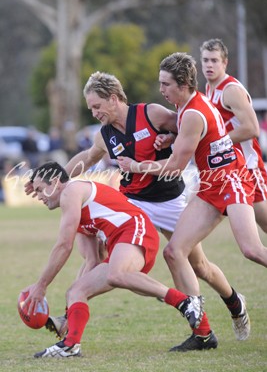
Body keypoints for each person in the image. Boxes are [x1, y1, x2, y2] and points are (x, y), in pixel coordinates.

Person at [25, 72, 250, 350]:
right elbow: (86, 158)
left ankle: (233, 301)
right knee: (98, 255)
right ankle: (72, 316)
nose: (94, 113)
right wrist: (50, 178)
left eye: (97, 106)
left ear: (114, 98)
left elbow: (188, 128)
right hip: (133, 202)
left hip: (170, 200)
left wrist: (167, 138)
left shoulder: (151, 114)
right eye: (90, 108)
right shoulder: (105, 135)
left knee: (197, 264)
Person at [117, 52, 267, 351]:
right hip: (211, 183)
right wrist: (171, 138)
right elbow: (194, 137)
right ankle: (202, 332)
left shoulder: (193, 111)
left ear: (183, 83)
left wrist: (135, 166)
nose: (161, 90)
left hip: (232, 179)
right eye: (160, 83)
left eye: (166, 84)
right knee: (174, 252)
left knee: (251, 250)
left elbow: (174, 166)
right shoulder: (186, 107)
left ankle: (229, 308)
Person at [22, 161, 207, 358]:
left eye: (41, 189)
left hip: (135, 229)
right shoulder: (74, 211)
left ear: (57, 182)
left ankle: (185, 302)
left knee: (116, 274)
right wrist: (70, 312)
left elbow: (63, 246)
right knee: (76, 291)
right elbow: (92, 260)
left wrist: (40, 286)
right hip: (121, 246)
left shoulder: (72, 191)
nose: (39, 196)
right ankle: (70, 344)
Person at [200, 38, 267, 232]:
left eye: (214, 60)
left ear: (224, 62)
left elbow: (252, 128)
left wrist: (217, 142)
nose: (209, 65)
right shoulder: (209, 87)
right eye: (205, 60)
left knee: (264, 222)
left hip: (248, 165)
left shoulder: (231, 90)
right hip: (229, 166)